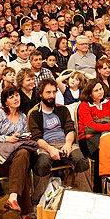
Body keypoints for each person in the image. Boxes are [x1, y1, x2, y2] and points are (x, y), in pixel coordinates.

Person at [28, 78, 91, 206]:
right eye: (48, 93)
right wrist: (51, 150)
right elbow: (36, 138)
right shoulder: (34, 114)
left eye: (54, 92)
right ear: (40, 94)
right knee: (42, 164)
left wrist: (68, 144)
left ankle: (88, 199)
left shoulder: (62, 110)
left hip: (65, 142)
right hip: (45, 146)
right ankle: (36, 203)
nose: (52, 96)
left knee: (80, 160)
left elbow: (70, 129)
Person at [0, 85, 36, 219]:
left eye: (17, 95)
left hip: (16, 158)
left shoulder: (22, 117)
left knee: (23, 155)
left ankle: (13, 198)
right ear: (5, 101)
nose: (16, 98)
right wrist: (8, 139)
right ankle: (25, 214)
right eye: (11, 96)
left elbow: (22, 142)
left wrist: (25, 137)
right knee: (22, 170)